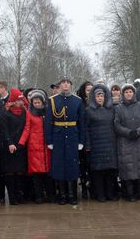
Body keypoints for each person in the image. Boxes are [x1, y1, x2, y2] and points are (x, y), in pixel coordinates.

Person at [44, 76, 86, 205]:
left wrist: (81, 140)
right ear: (59, 85)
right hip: (58, 137)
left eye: (68, 83)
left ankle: (72, 195)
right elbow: (48, 122)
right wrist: (49, 140)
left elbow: (82, 123)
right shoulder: (52, 101)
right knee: (59, 166)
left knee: (72, 166)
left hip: (73, 136)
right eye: (63, 83)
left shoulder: (77, 101)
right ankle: (62, 195)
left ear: (71, 85)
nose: (66, 85)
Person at [114, 84, 140, 201]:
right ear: (123, 94)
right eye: (126, 92)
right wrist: (128, 132)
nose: (128, 94)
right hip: (126, 142)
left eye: (130, 91)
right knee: (128, 168)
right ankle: (130, 194)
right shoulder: (119, 108)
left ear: (134, 93)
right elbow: (116, 125)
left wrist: (138, 132)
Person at [18, 90, 54, 203]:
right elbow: (27, 129)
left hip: (47, 146)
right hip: (34, 146)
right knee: (37, 174)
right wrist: (21, 142)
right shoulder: (29, 113)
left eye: (39, 102)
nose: (37, 104)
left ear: (43, 102)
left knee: (48, 174)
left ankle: (51, 195)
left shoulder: (47, 113)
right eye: (35, 103)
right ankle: (39, 196)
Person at [85, 85, 118, 202]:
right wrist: (88, 145)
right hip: (96, 146)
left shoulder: (111, 110)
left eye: (102, 95)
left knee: (110, 171)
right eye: (98, 96)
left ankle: (110, 193)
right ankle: (100, 194)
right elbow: (86, 129)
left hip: (110, 144)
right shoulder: (88, 111)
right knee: (98, 172)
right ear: (93, 97)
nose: (100, 98)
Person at [0, 88, 28, 205]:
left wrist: (21, 142)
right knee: (10, 172)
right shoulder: (6, 112)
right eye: (20, 100)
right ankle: (12, 196)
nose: (22, 102)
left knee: (20, 172)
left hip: (20, 145)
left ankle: (19, 195)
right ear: (14, 101)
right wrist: (10, 143)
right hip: (8, 147)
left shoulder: (24, 112)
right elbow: (4, 130)